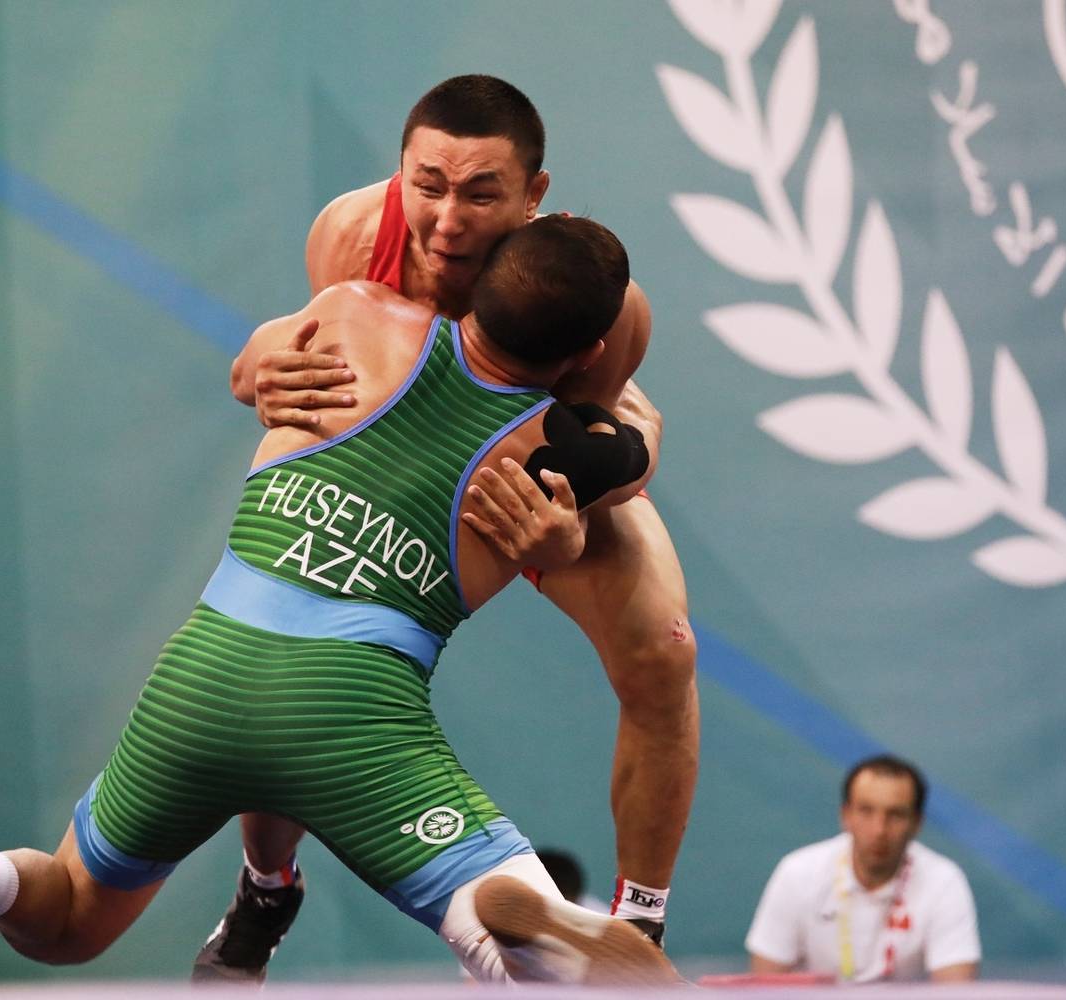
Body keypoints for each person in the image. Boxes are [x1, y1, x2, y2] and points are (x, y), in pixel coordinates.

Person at [0, 216, 680, 986]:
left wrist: (259, 366)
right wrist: (601, 466)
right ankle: (518, 919)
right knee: (499, 928)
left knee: (67, 918)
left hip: (203, 676)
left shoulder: (349, 313)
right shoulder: (561, 456)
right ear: (587, 356)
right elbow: (635, 449)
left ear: (480, 283)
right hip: (349, 713)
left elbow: (254, 361)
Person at [200, 71, 698, 982]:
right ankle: (267, 887)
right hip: (395, 460)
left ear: (532, 196)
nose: (446, 222)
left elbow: (604, 460)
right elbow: (305, 380)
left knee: (665, 651)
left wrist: (578, 516)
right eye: (426, 187)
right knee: (284, 646)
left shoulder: (606, 303)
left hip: (519, 482)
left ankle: (637, 929)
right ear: (400, 173)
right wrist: (260, 371)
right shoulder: (353, 236)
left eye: (480, 196)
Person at [744, 755, 981, 983]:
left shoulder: (944, 882)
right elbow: (765, 989)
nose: (879, 830)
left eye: (895, 815)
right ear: (845, 815)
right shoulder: (797, 874)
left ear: (917, 823)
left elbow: (957, 991)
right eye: (866, 811)